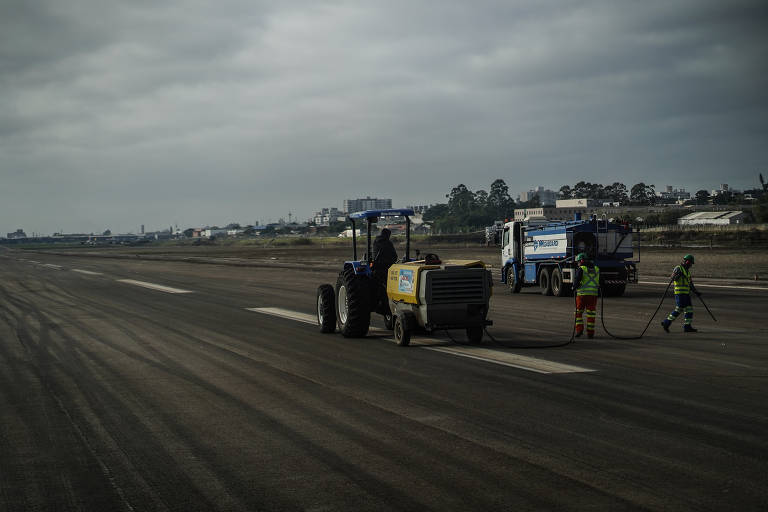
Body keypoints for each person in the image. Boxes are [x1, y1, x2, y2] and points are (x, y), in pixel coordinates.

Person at [662, 254, 700, 333]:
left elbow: (690, 283)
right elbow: (672, 278)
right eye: (690, 263)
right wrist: (678, 275)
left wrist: (696, 291)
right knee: (679, 308)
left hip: (686, 293)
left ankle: (687, 326)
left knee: (689, 309)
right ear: (687, 261)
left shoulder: (687, 271)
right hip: (679, 293)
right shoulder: (678, 268)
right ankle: (666, 322)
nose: (691, 265)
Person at [573, 252, 600, 339]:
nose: (578, 264)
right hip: (593, 295)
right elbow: (600, 281)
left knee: (578, 313)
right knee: (591, 314)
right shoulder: (596, 268)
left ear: (581, 260)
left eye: (578, 262)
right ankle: (590, 333)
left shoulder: (582, 269)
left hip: (582, 295)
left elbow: (577, 280)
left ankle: (579, 330)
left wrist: (574, 287)